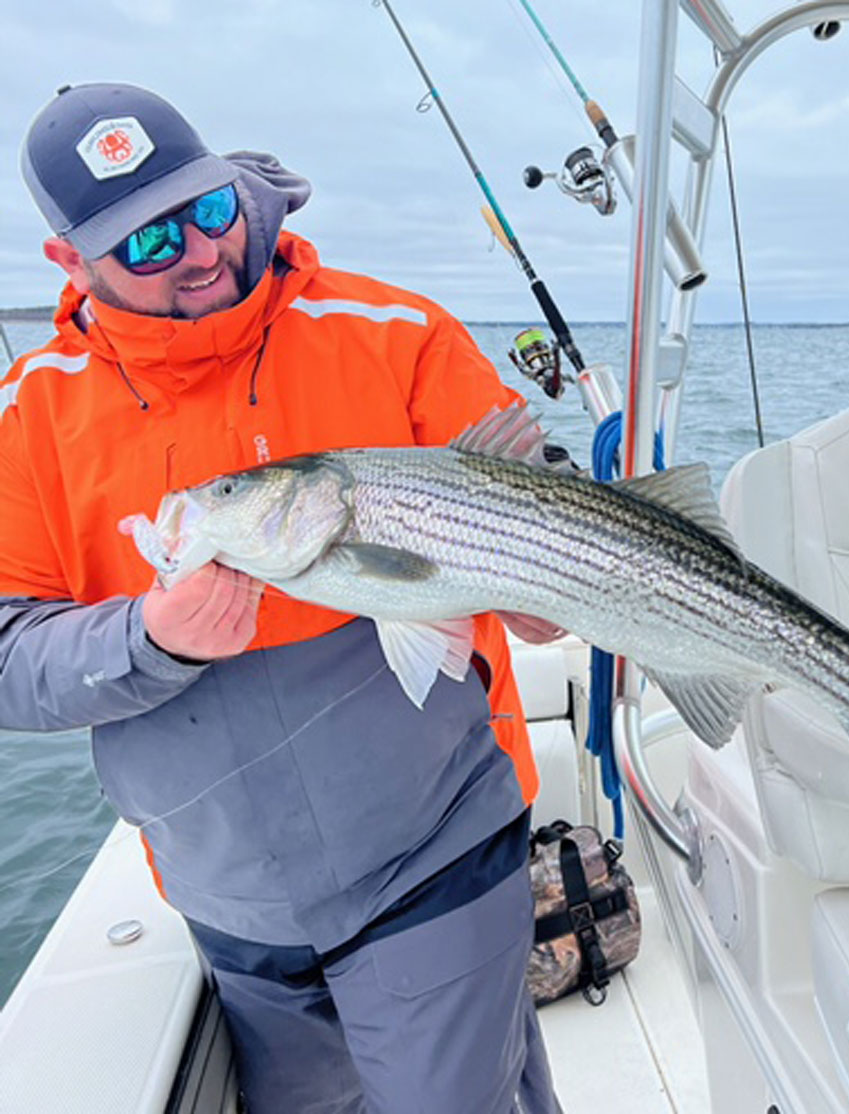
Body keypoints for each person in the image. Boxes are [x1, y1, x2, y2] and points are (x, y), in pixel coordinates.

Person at [1, 82, 563, 1114]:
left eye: (209, 210)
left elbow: (536, 520)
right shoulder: (26, 417)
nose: (202, 253)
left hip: (432, 854)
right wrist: (147, 637)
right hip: (234, 914)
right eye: (149, 242)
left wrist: (552, 592)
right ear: (70, 263)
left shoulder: (394, 334)